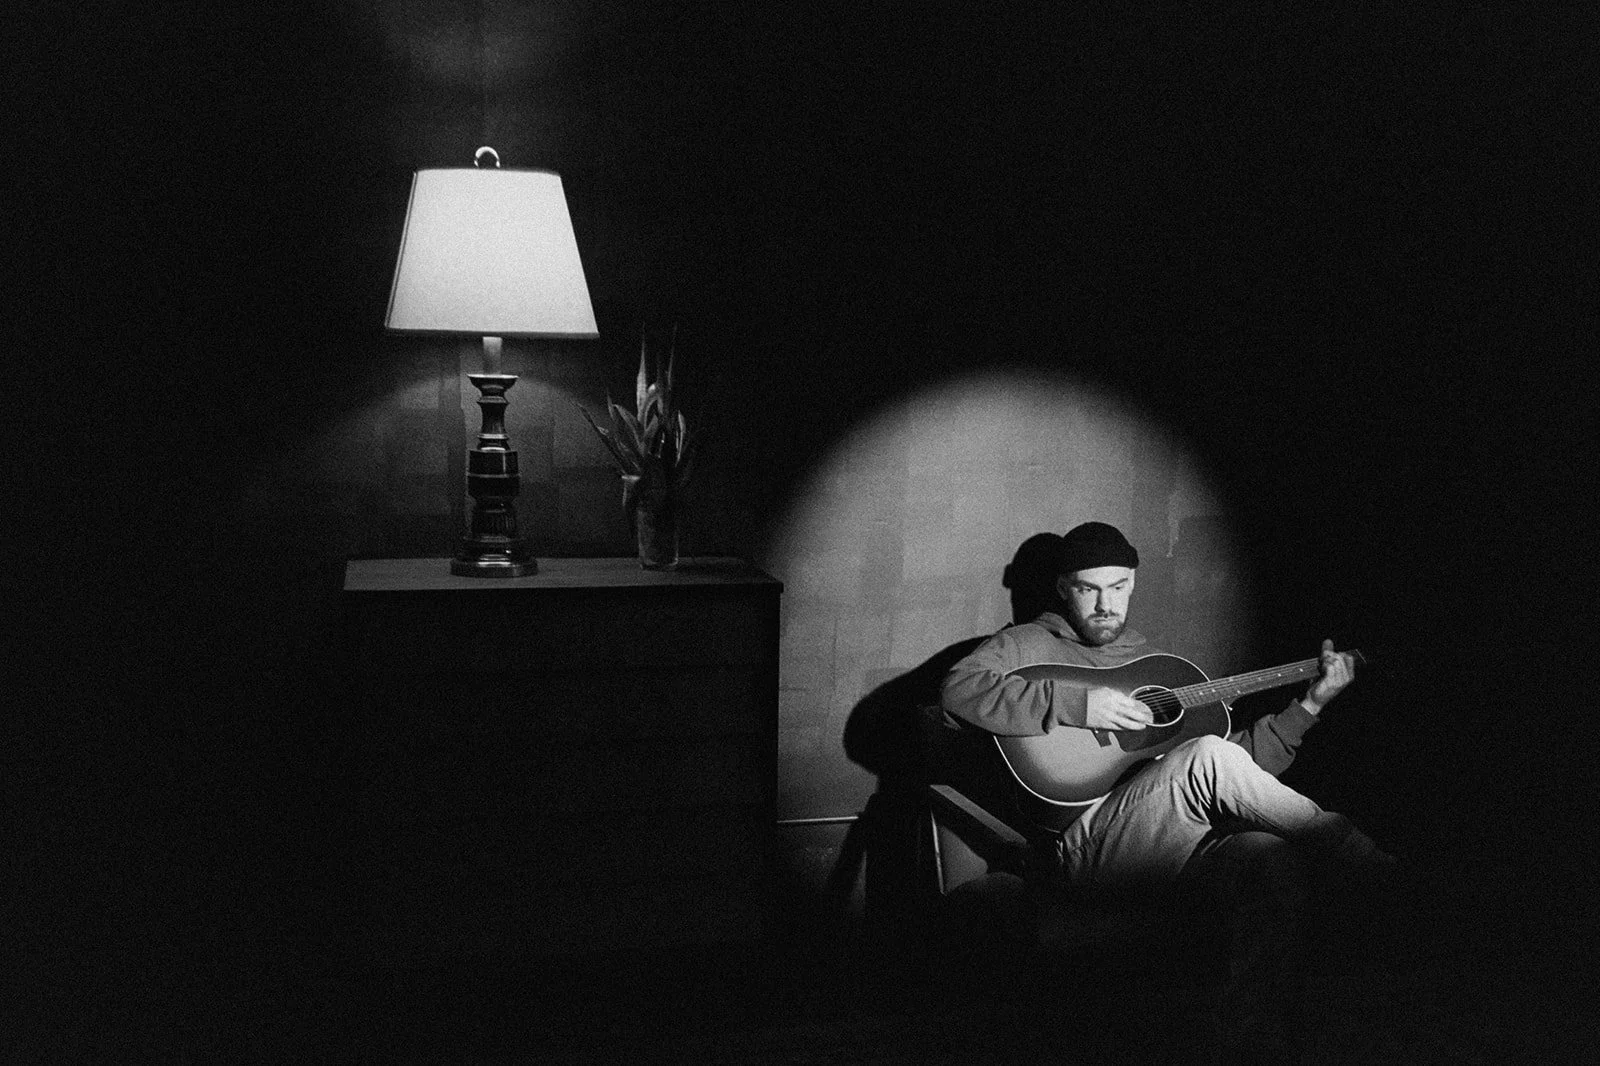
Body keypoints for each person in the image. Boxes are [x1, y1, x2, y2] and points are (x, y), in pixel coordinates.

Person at [938, 521, 1394, 1063]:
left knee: (1271, 857)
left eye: (1119, 587)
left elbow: (1237, 769)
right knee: (1208, 759)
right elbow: (957, 690)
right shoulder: (1023, 645)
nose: (1105, 604)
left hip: (1174, 840)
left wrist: (1311, 705)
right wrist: (1077, 705)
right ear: (1063, 588)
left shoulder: (1157, 667)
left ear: (1133, 583)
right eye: (1088, 589)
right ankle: (1361, 858)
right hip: (1083, 850)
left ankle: (1243, 1042)